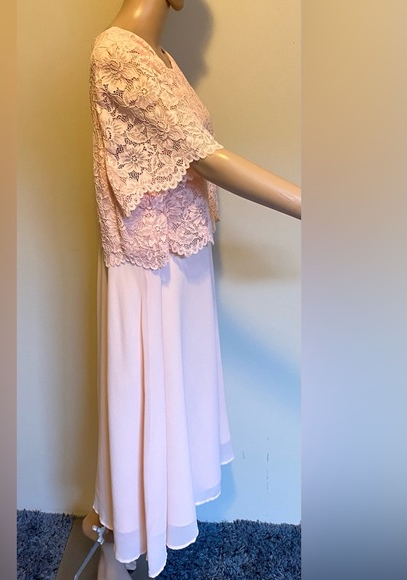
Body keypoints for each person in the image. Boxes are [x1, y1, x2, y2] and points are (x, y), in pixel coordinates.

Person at [84, 1, 301, 578]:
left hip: (181, 258)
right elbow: (206, 157)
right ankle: (119, 533)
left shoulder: (160, 57)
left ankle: (116, 520)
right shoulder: (115, 52)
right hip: (149, 265)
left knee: (170, 394)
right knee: (144, 394)